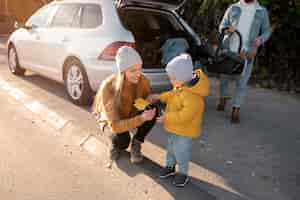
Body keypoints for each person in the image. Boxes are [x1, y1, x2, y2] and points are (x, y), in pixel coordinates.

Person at [92, 46, 157, 166]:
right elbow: (116, 126)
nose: (138, 74)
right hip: (113, 121)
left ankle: (136, 143)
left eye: (140, 69)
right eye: (133, 70)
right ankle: (113, 142)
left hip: (131, 113)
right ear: (122, 71)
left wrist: (149, 100)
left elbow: (146, 99)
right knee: (122, 141)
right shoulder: (108, 87)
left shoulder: (143, 80)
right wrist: (141, 118)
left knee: (153, 109)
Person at [154, 54, 209, 187]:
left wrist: (166, 117)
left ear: (181, 77)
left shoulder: (194, 97)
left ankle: (183, 173)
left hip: (186, 132)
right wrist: (160, 97)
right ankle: (170, 167)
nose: (171, 81)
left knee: (182, 152)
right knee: (171, 149)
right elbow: (172, 94)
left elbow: (184, 116)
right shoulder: (181, 85)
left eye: (172, 78)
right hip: (174, 128)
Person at [217, 0, 271, 123]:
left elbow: (267, 31)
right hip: (229, 50)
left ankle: (236, 109)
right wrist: (227, 30)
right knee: (224, 78)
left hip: (247, 52)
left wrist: (259, 41)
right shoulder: (233, 8)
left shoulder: (261, 12)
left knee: (242, 82)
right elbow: (222, 26)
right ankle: (223, 97)